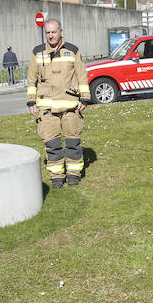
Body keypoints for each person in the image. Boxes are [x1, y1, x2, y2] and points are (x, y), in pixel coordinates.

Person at [27, 19, 92, 188]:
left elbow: (81, 75)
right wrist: (31, 101)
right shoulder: (37, 52)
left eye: (54, 32)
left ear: (61, 31)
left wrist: (85, 97)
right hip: (47, 108)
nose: (51, 35)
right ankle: (57, 176)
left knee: (72, 142)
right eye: (47, 32)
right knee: (52, 144)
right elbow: (31, 79)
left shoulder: (72, 51)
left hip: (70, 106)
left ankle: (73, 174)